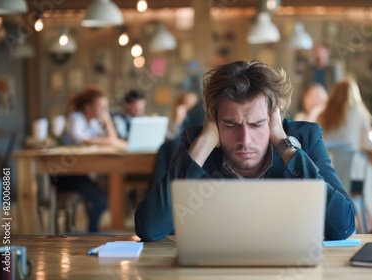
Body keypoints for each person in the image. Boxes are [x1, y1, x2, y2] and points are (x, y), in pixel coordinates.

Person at [135, 60, 356, 241]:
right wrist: (203, 144)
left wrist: (283, 143)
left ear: (273, 118)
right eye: (230, 125)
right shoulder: (197, 144)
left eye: (257, 124)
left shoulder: (305, 140)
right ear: (214, 120)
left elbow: (343, 226)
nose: (245, 140)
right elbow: (149, 228)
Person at [54, 85, 126, 232]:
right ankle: (92, 232)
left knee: (103, 199)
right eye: (102, 107)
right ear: (88, 108)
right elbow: (81, 140)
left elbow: (111, 138)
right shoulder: (76, 119)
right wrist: (112, 141)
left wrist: (106, 119)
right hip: (64, 174)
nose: (104, 111)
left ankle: (92, 232)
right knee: (102, 200)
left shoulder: (92, 122)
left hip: (78, 173)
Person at [317, 80, 372, 225]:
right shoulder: (359, 114)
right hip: (352, 177)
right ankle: (368, 221)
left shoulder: (322, 115)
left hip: (326, 175)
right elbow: (368, 146)